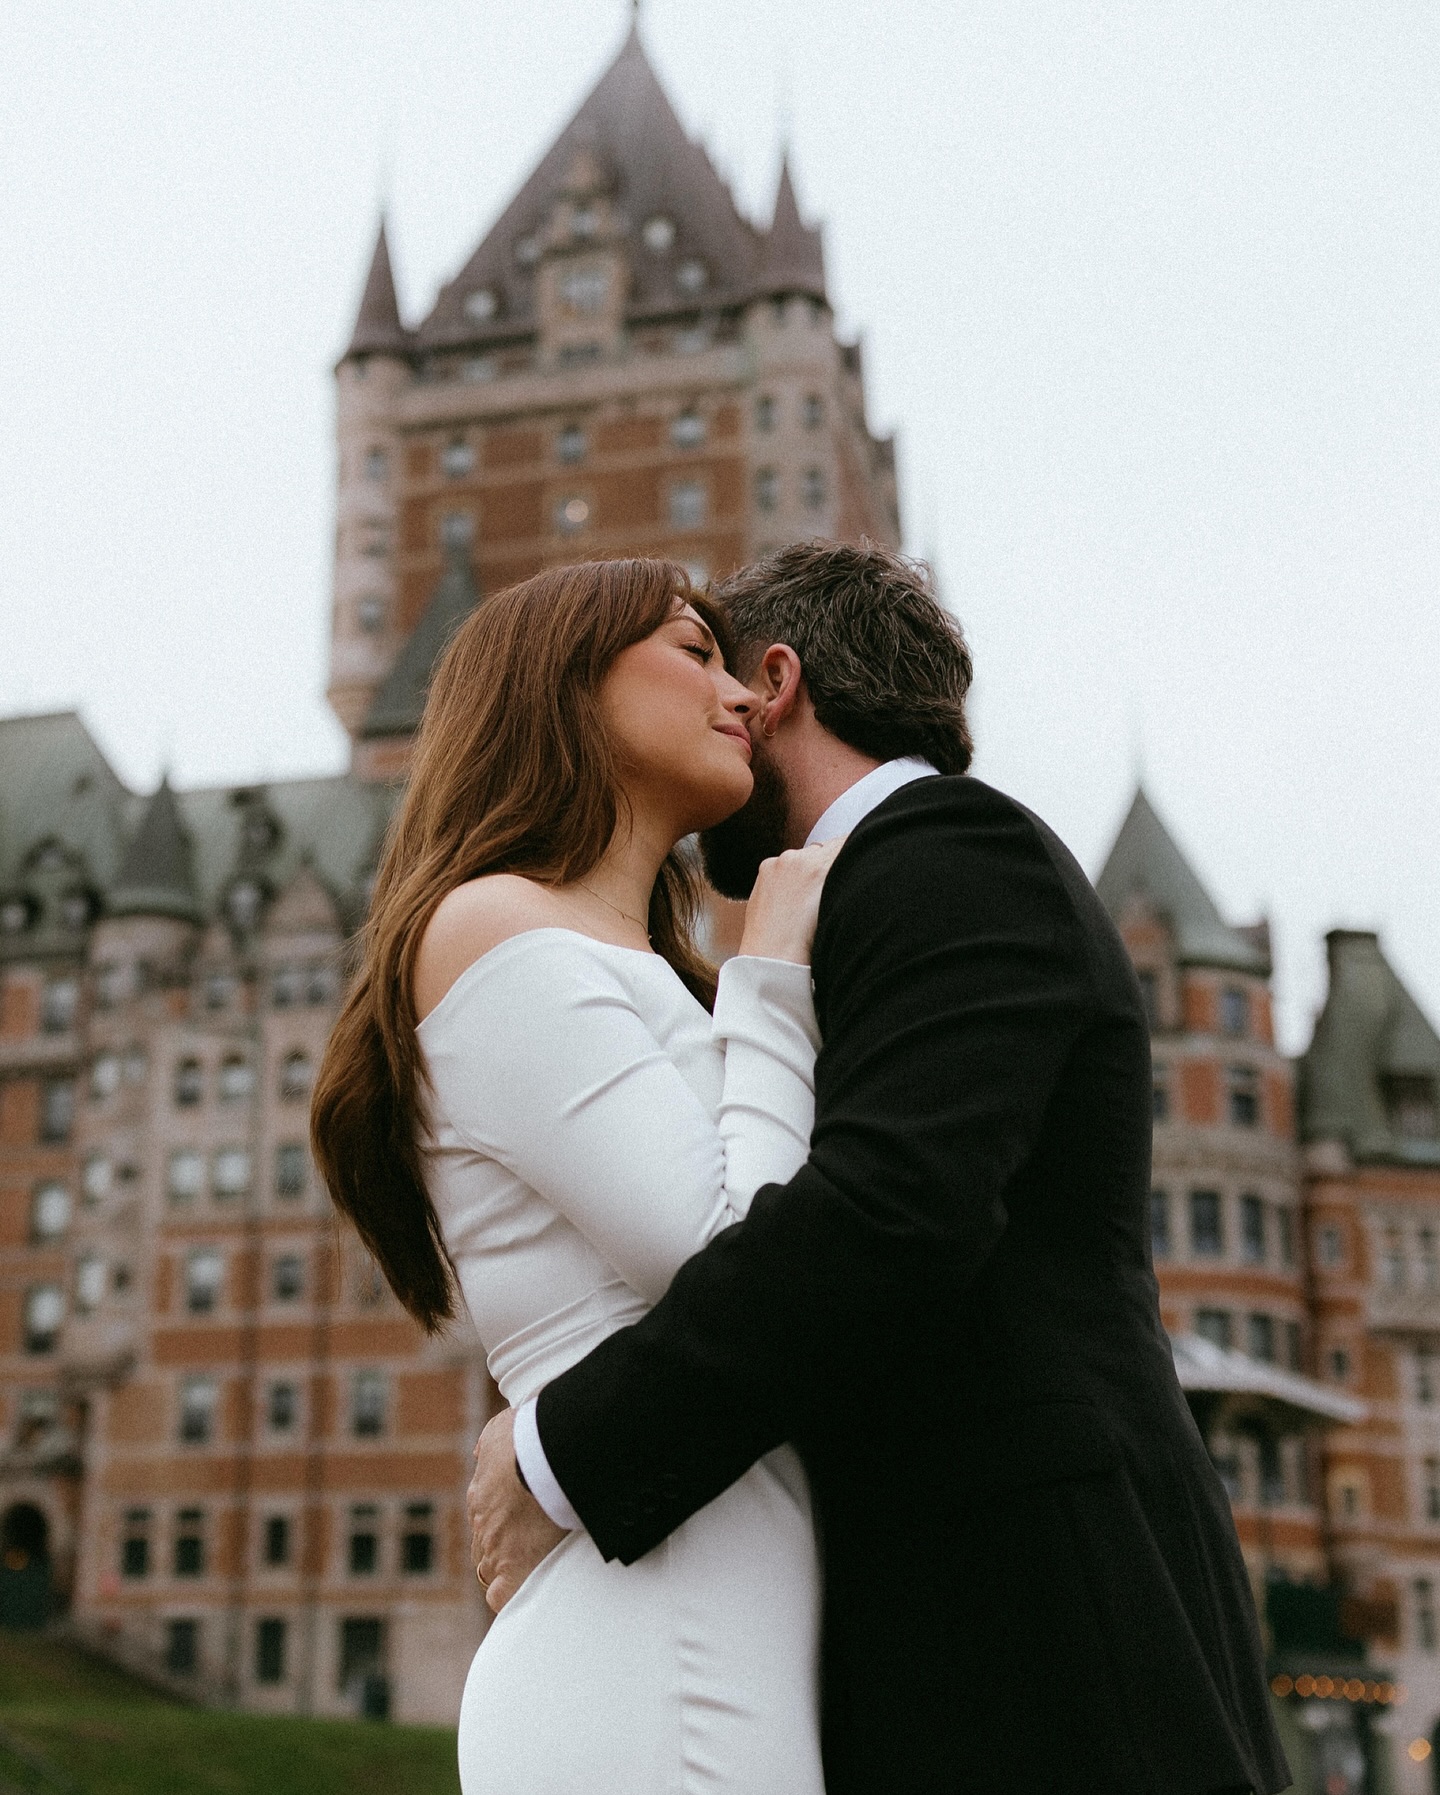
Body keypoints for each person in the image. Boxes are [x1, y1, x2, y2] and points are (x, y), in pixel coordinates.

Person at [468, 540, 1292, 1795]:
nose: (720, 709)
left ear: (777, 683)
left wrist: (561, 1452)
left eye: (725, 672)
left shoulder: (949, 848)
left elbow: (888, 1214)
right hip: (937, 1615)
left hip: (1047, 1612)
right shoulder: (862, 891)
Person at [311, 557, 847, 1794]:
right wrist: (772, 978)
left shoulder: (630, 963)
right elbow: (733, 1258)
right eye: (693, 652)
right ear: (568, 689)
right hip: (653, 1648)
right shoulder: (493, 924)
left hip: (712, 1621)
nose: (740, 694)